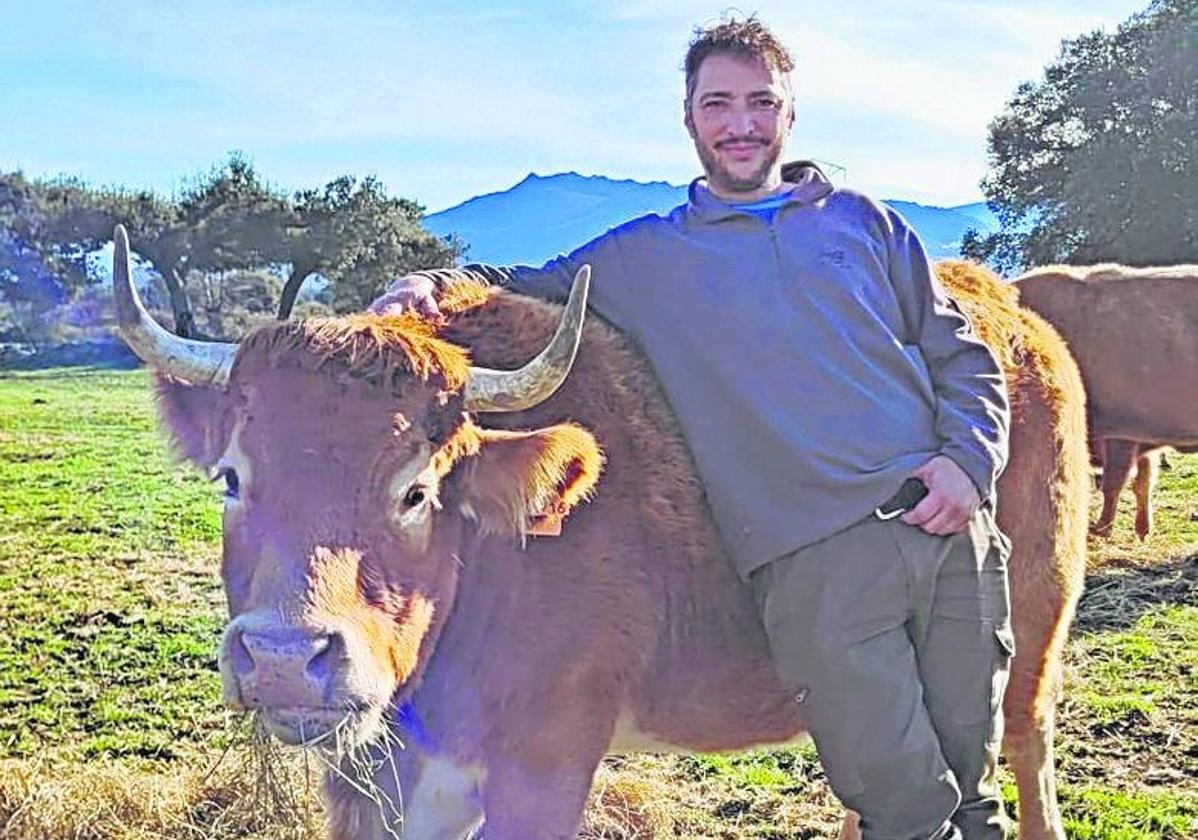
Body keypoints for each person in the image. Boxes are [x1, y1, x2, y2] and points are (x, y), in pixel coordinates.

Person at [372, 16, 1012, 840]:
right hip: (818, 562)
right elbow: (521, 283)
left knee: (974, 790)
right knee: (906, 806)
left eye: (760, 102)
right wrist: (429, 278)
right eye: (719, 104)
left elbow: (960, 356)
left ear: (790, 112)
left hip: (954, 534)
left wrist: (968, 461)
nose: (741, 123)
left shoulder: (868, 223)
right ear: (689, 119)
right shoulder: (647, 258)